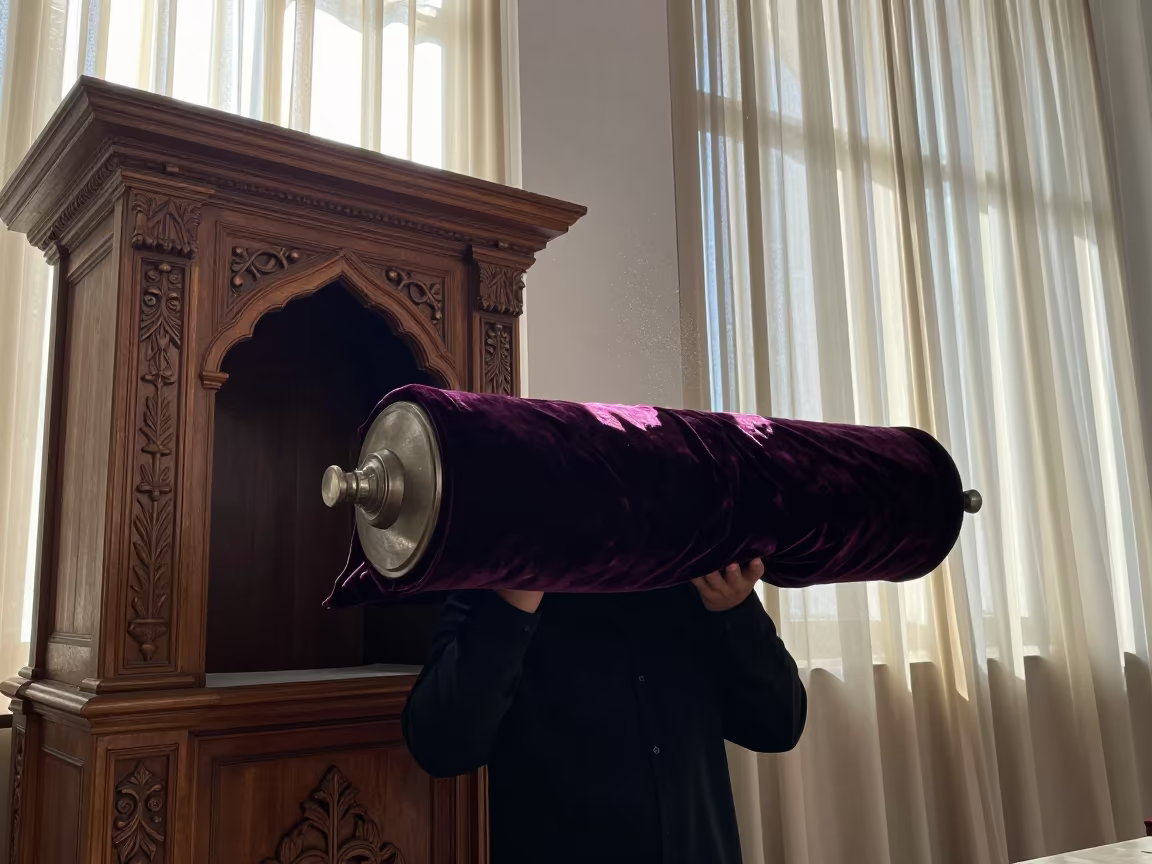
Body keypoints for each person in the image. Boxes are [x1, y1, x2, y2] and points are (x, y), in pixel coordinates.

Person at [401, 558, 807, 864]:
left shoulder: (695, 568)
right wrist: (513, 601)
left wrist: (735, 609)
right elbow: (440, 745)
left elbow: (778, 726)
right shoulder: (499, 568)